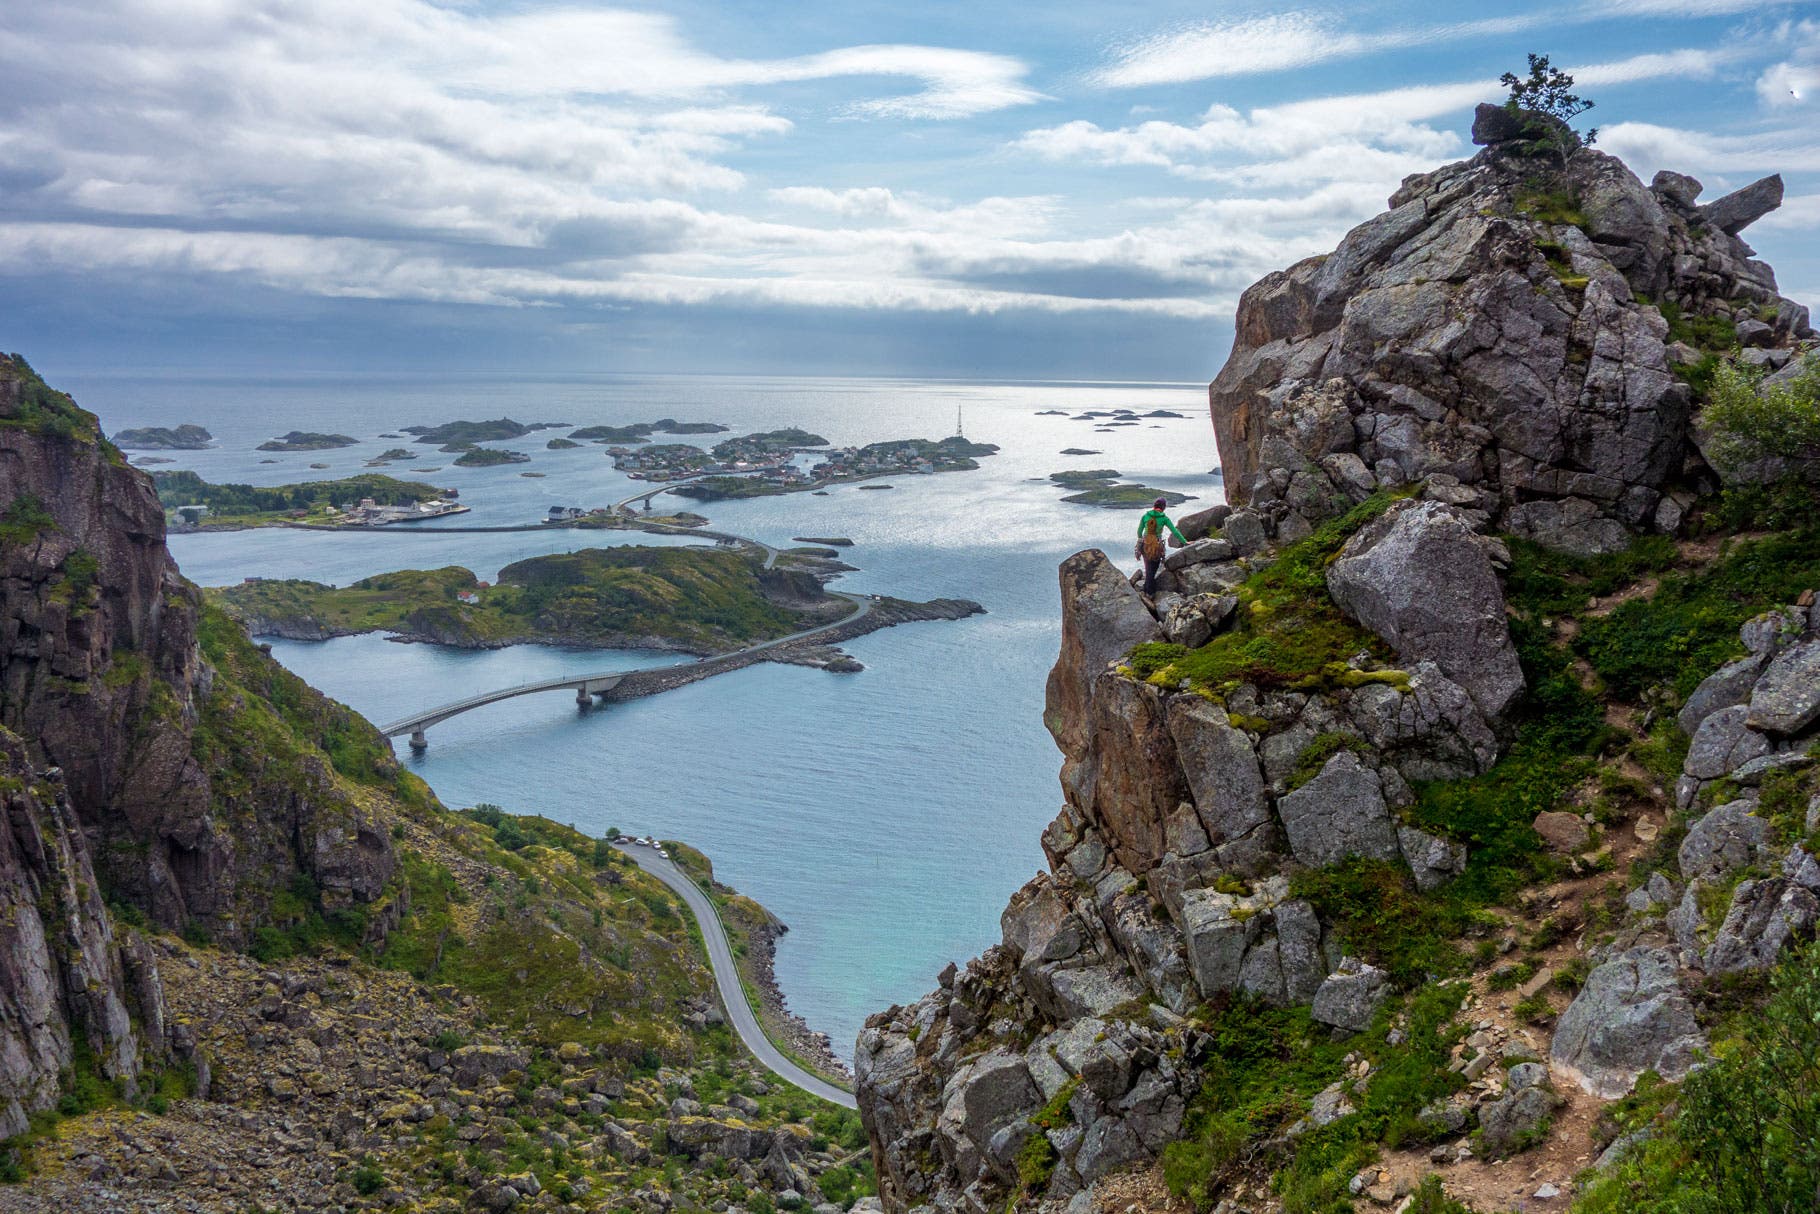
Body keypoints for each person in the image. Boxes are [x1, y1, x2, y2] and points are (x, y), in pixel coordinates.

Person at [1135, 497, 1186, 598]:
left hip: (1145, 545)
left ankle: (1146, 589)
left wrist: (1143, 540)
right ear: (1163, 507)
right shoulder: (1164, 518)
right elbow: (1175, 531)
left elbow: (1139, 532)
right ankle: (1150, 592)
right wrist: (1185, 542)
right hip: (1157, 546)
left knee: (1147, 567)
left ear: (1154, 506)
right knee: (1152, 569)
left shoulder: (1145, 516)